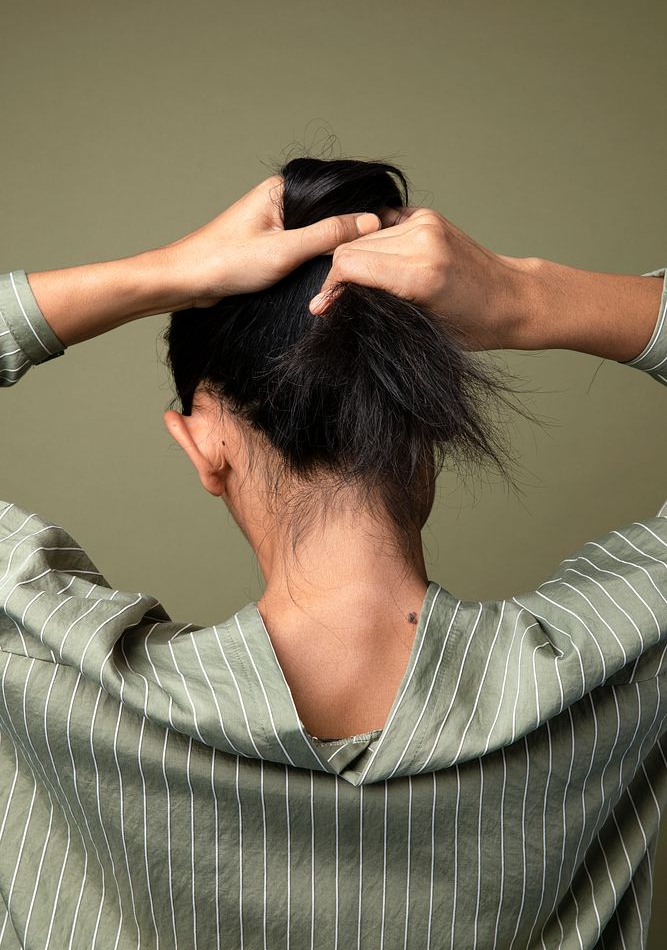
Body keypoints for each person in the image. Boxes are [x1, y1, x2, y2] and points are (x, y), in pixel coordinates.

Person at [0, 156, 664, 950]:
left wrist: (160, 273)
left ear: (204, 444)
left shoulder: (42, 670)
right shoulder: (622, 661)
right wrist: (525, 297)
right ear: (428, 420)